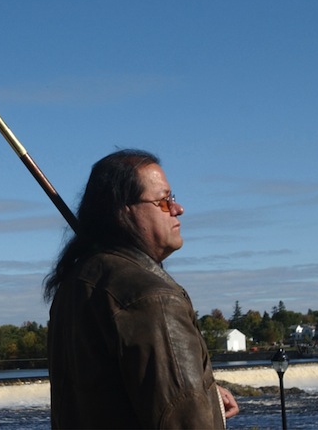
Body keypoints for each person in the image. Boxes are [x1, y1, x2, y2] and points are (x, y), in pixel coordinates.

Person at [44, 149, 238, 429]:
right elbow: (182, 419)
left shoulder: (76, 284)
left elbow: (109, 394)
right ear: (124, 211)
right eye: (163, 200)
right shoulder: (153, 299)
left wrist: (204, 394)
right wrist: (190, 400)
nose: (177, 208)